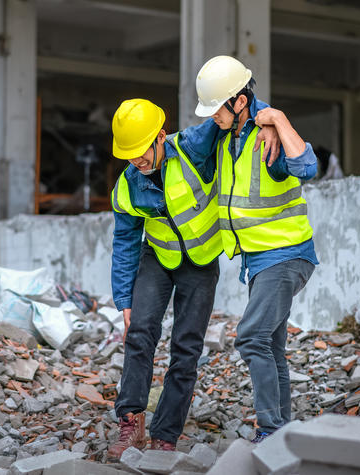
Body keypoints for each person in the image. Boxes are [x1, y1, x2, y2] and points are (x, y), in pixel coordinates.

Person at [106, 98, 276, 459]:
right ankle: (130, 420)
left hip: (200, 262)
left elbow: (233, 106)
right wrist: (124, 300)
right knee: (139, 334)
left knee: (185, 349)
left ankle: (165, 433)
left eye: (141, 150)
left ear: (161, 136)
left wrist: (272, 121)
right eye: (129, 153)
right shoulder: (127, 186)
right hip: (157, 258)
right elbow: (124, 243)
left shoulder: (192, 148)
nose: (137, 160)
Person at [194, 55, 319, 443]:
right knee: (271, 345)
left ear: (240, 102)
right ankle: (282, 431)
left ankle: (270, 430)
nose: (213, 116)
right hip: (260, 260)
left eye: (217, 108)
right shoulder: (228, 135)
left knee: (250, 337)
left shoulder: (269, 136)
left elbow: (308, 167)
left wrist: (278, 120)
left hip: (286, 255)